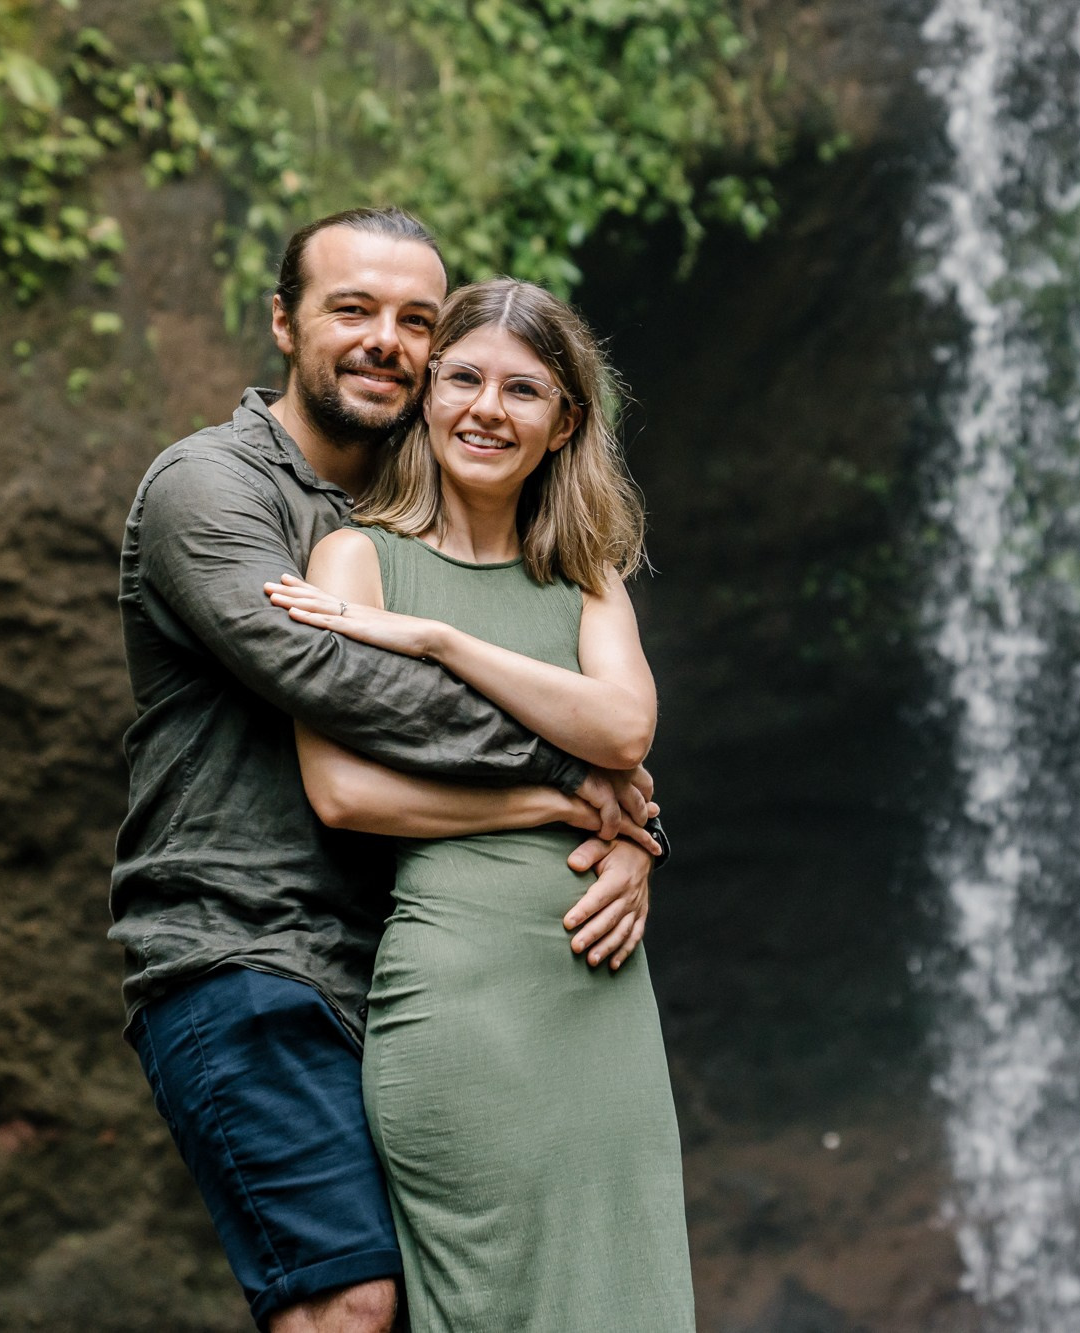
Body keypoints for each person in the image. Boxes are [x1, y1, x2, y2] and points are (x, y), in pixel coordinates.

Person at [110, 207, 663, 1333]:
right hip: (244, 947)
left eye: (416, 319)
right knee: (349, 1302)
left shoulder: (397, 516)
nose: (385, 339)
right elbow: (333, 677)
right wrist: (583, 772)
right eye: (350, 309)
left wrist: (632, 833)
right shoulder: (211, 492)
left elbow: (592, 704)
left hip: (404, 964)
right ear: (282, 322)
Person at [261, 277, 697, 1330]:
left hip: (599, 1006)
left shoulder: (586, 576)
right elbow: (344, 791)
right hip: (458, 1003)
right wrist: (570, 813)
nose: (485, 410)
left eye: (522, 390)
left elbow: (622, 733)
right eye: (461, 378)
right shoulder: (355, 559)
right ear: (425, 396)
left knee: (626, 1299)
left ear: (564, 424)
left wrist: (441, 641)